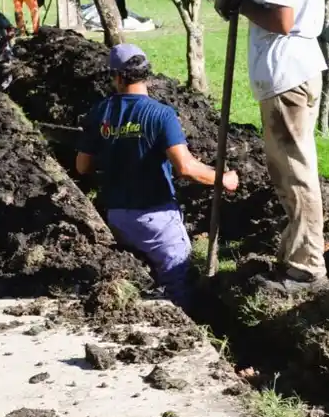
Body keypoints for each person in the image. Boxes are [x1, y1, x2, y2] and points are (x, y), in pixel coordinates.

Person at [213, 0, 328, 294]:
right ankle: (295, 253)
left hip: (287, 71)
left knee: (295, 172)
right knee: (289, 170)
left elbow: (281, 18)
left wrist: (243, 2)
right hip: (294, 68)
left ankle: (306, 268)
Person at [75, 44, 238, 305]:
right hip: (156, 219)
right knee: (179, 283)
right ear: (146, 74)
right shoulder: (161, 115)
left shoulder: (99, 113)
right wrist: (224, 178)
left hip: (116, 216)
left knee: (135, 278)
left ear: (117, 76)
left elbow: (82, 166)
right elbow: (184, 167)